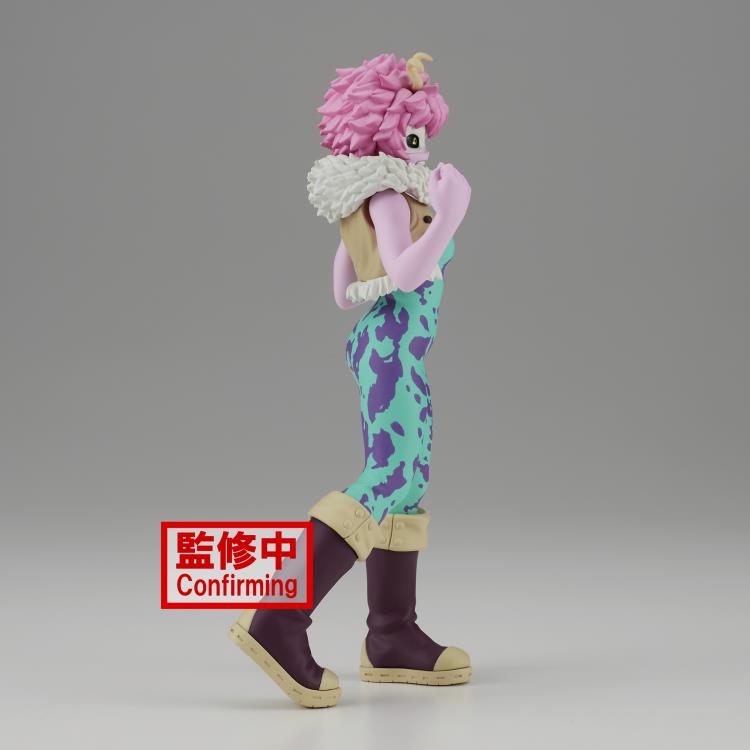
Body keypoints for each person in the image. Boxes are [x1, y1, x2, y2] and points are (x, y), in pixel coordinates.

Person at [229, 52, 472, 708]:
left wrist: (426, 215)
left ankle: (392, 634)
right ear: (382, 133)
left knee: (409, 480)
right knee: (387, 477)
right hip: (391, 350)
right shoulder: (388, 197)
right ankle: (279, 615)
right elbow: (406, 274)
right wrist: (450, 215)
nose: (422, 149)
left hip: (391, 349)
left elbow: (344, 292)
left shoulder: (376, 194)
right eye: (413, 137)